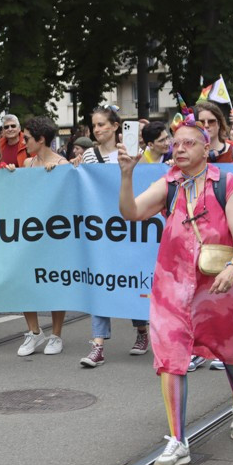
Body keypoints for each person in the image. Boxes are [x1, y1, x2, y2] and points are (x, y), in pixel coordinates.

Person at [117, 117, 233, 465]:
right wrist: (127, 174)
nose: (179, 149)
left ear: (206, 148)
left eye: (188, 143)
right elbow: (131, 213)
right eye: (175, 143)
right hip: (172, 287)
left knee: (229, 350)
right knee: (171, 357)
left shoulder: (227, 182)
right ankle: (178, 441)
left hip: (219, 285)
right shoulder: (169, 184)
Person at [79, 107, 149, 366]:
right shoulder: (88, 155)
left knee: (131, 280)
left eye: (101, 125)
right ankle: (98, 345)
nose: (97, 130)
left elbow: (144, 181)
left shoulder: (131, 151)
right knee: (100, 280)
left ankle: (142, 331)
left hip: (129, 226)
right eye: (94, 125)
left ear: (116, 126)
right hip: (100, 229)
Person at [14, 117, 69, 356]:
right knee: (25, 281)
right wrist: (9, 175)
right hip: (30, 233)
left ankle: (56, 335)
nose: (23, 142)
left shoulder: (62, 163)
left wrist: (58, 175)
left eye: (26, 138)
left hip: (55, 235)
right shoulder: (27, 163)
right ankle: (34, 332)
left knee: (55, 282)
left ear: (41, 139)